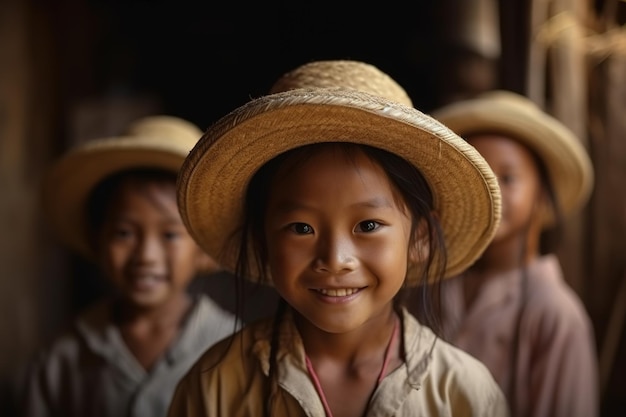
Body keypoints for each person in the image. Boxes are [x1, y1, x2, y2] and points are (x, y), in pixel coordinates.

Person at [167, 60, 510, 416]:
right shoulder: (217, 387)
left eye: (368, 225)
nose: (335, 258)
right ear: (261, 240)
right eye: (301, 228)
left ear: (419, 238)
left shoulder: (464, 395)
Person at [17, 115, 238, 417]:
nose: (146, 256)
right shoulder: (63, 359)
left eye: (170, 234)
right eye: (124, 233)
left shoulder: (235, 349)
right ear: (98, 241)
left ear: (203, 249)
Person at [419, 90, 598, 417]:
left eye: (508, 177)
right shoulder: (431, 286)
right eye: (476, 173)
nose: (490, 189)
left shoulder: (555, 315)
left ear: (542, 196)